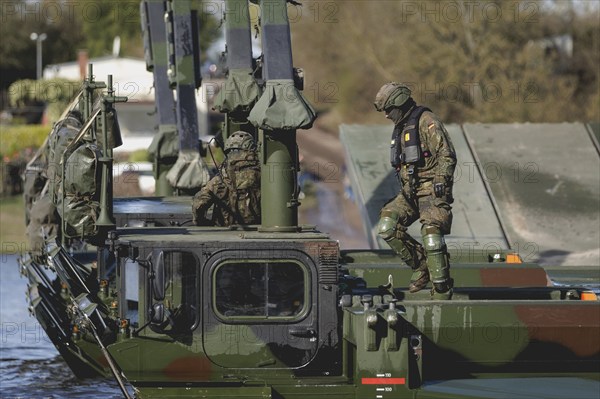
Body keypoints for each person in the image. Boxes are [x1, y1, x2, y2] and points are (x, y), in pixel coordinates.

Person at [373, 82, 457, 300]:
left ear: (398, 104)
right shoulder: (402, 127)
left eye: (388, 110)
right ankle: (421, 265)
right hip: (410, 194)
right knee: (386, 226)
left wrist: (441, 179)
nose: (386, 116)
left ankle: (442, 291)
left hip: (431, 191)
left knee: (432, 239)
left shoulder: (427, 121)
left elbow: (446, 154)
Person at [192, 131, 260, 226]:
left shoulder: (221, 176)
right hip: (256, 228)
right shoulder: (262, 173)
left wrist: (200, 222)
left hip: (226, 228)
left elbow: (199, 202)